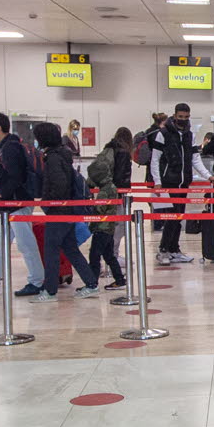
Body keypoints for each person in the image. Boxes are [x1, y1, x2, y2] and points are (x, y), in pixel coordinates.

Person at [0, 111, 49, 296]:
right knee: (0, 243)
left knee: (26, 243)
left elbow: (16, 176)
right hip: (11, 204)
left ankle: (37, 280)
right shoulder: (9, 146)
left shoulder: (10, 148)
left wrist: (2, 194)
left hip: (17, 203)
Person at [32, 121, 92, 295]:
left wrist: (49, 203)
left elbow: (59, 184)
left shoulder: (53, 158)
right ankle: (91, 283)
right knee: (70, 249)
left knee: (51, 249)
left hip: (58, 210)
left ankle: (49, 290)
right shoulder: (62, 154)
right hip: (67, 210)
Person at [85, 126, 133, 299]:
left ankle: (92, 283)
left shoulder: (106, 189)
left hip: (102, 227)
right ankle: (119, 279)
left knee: (95, 253)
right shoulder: (123, 153)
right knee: (107, 253)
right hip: (110, 220)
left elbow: (100, 210)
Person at [149, 103, 194, 261]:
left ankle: (174, 249)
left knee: (179, 216)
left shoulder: (189, 135)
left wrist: (208, 175)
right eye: (180, 117)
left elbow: (195, 159)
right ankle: (163, 250)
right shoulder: (163, 134)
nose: (183, 120)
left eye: (186, 117)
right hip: (168, 182)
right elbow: (155, 160)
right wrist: (157, 181)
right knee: (171, 217)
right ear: (174, 116)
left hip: (183, 183)